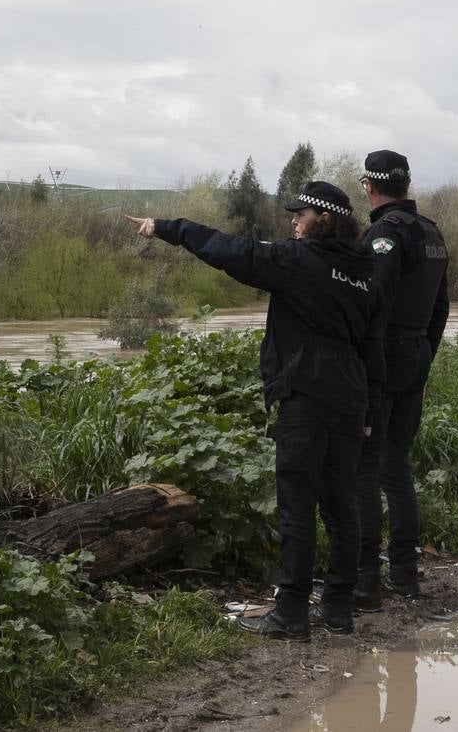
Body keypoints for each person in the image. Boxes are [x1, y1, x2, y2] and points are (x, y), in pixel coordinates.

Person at [126, 180, 378, 641]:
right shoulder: (364, 270)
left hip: (306, 395)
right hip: (350, 397)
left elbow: (234, 251)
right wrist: (368, 410)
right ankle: (338, 609)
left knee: (297, 506)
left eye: (300, 215)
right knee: (342, 504)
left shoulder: (299, 261)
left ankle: (291, 614)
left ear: (323, 219)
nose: (292, 222)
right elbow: (371, 343)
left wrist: (168, 228)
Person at [353, 149, 449, 607]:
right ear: (405, 185)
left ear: (369, 187)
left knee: (367, 471)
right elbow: (441, 308)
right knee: (397, 468)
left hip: (385, 359)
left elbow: (372, 302)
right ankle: (405, 575)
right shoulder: (431, 232)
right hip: (416, 355)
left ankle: (367, 581)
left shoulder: (386, 234)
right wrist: (426, 350)